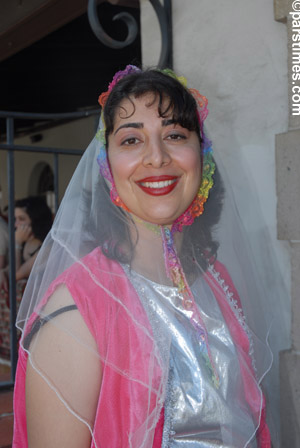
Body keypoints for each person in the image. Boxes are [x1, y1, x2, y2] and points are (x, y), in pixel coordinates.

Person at [12, 66, 289, 448]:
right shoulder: (75, 315)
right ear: (106, 165)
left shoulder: (217, 282)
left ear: (201, 155)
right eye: (131, 140)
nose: (157, 158)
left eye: (175, 135)